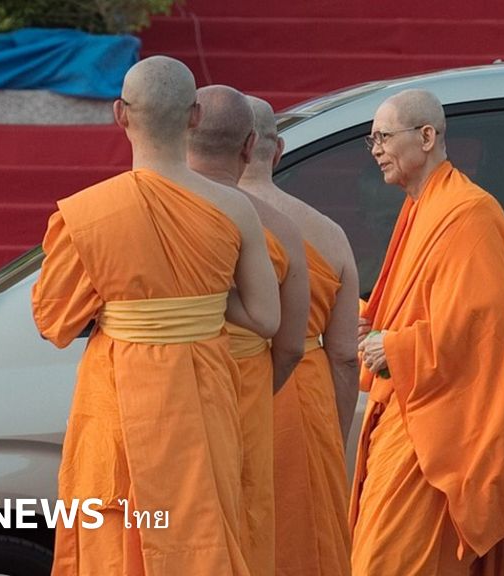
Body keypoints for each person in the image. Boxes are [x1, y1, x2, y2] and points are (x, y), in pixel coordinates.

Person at [31, 56, 280, 576]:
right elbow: (265, 318)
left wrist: (129, 302)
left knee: (116, 530)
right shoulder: (235, 208)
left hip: (118, 395)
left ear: (119, 114)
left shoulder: (89, 212)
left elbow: (53, 321)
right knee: (199, 527)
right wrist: (198, 300)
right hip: (202, 398)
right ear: (194, 116)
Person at [352, 88, 504, 575]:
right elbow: (411, 305)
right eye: (371, 140)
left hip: (437, 429)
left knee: (387, 562)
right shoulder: (420, 208)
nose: (375, 149)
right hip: (407, 412)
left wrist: (396, 347)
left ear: (426, 137)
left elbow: (481, 327)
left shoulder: (469, 213)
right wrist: (371, 325)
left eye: (383, 137)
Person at [187, 84, 310, 576]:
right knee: (241, 528)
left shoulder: (144, 206)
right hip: (246, 397)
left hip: (160, 396)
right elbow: (292, 346)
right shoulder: (280, 228)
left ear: (185, 130)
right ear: (250, 146)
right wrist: (252, 388)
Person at [239, 95, 359, 576]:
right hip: (302, 402)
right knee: (302, 545)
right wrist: (331, 435)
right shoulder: (329, 232)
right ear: (277, 150)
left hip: (222, 391)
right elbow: (345, 355)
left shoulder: (200, 219)